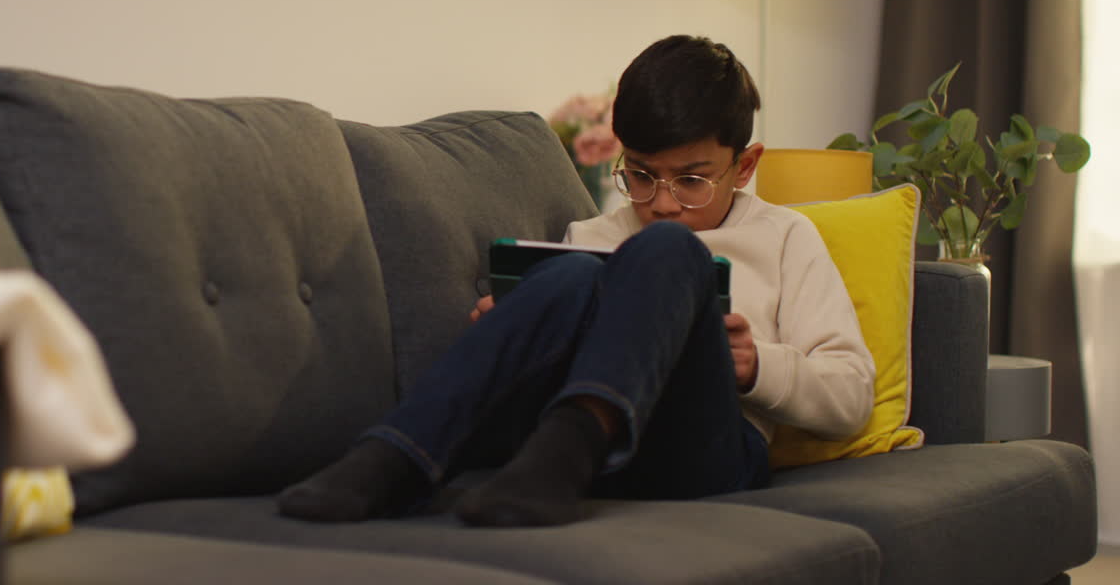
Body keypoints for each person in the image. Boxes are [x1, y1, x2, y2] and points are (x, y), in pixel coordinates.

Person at [277, 34, 875, 527]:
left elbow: (851, 395)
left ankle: (564, 455)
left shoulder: (785, 236)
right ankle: (393, 458)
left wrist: (756, 366)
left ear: (744, 165)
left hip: (703, 451)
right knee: (566, 278)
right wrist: (519, 324)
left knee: (668, 248)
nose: (662, 201)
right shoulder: (587, 235)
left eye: (691, 180)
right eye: (640, 175)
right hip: (577, 459)